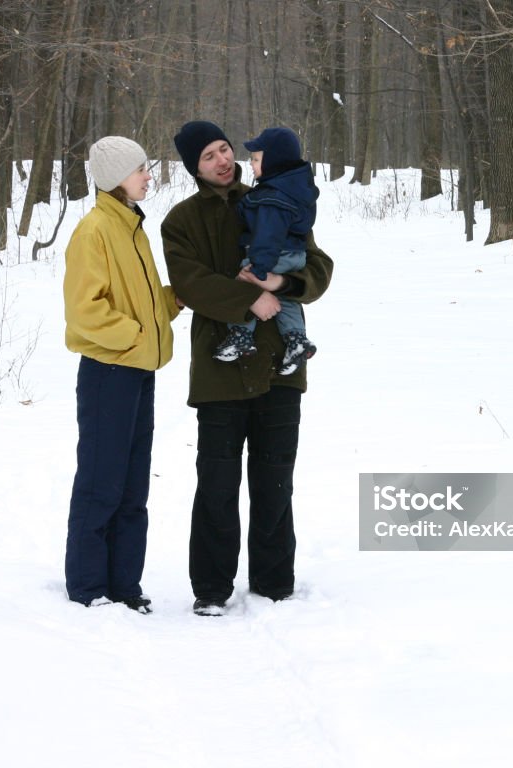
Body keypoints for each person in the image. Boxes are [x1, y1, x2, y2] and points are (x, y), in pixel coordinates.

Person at [160, 120, 333, 616]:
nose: (220, 160)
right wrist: (249, 300)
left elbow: (318, 268)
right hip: (220, 369)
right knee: (216, 482)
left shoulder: (276, 198)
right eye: (208, 156)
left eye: (223, 149)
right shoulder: (182, 220)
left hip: (281, 363)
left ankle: (274, 581)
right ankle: (212, 588)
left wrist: (282, 285)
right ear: (194, 168)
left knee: (276, 478)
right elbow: (191, 284)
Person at [63, 136, 181, 615]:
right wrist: (135, 335)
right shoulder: (94, 232)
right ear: (116, 177)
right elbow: (84, 312)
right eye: (140, 170)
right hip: (109, 372)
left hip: (138, 371)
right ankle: (89, 586)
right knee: (101, 482)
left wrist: (176, 300)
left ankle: (125, 585)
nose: (148, 176)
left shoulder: (133, 228)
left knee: (133, 485)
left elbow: (143, 300)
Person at [213, 126, 319, 376]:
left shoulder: (273, 198)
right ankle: (296, 338)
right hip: (293, 255)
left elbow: (268, 235)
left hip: (273, 255)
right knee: (285, 297)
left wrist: (258, 268)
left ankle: (240, 334)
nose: (250, 163)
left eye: (256, 159)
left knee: (248, 287)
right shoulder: (292, 188)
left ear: (274, 162)